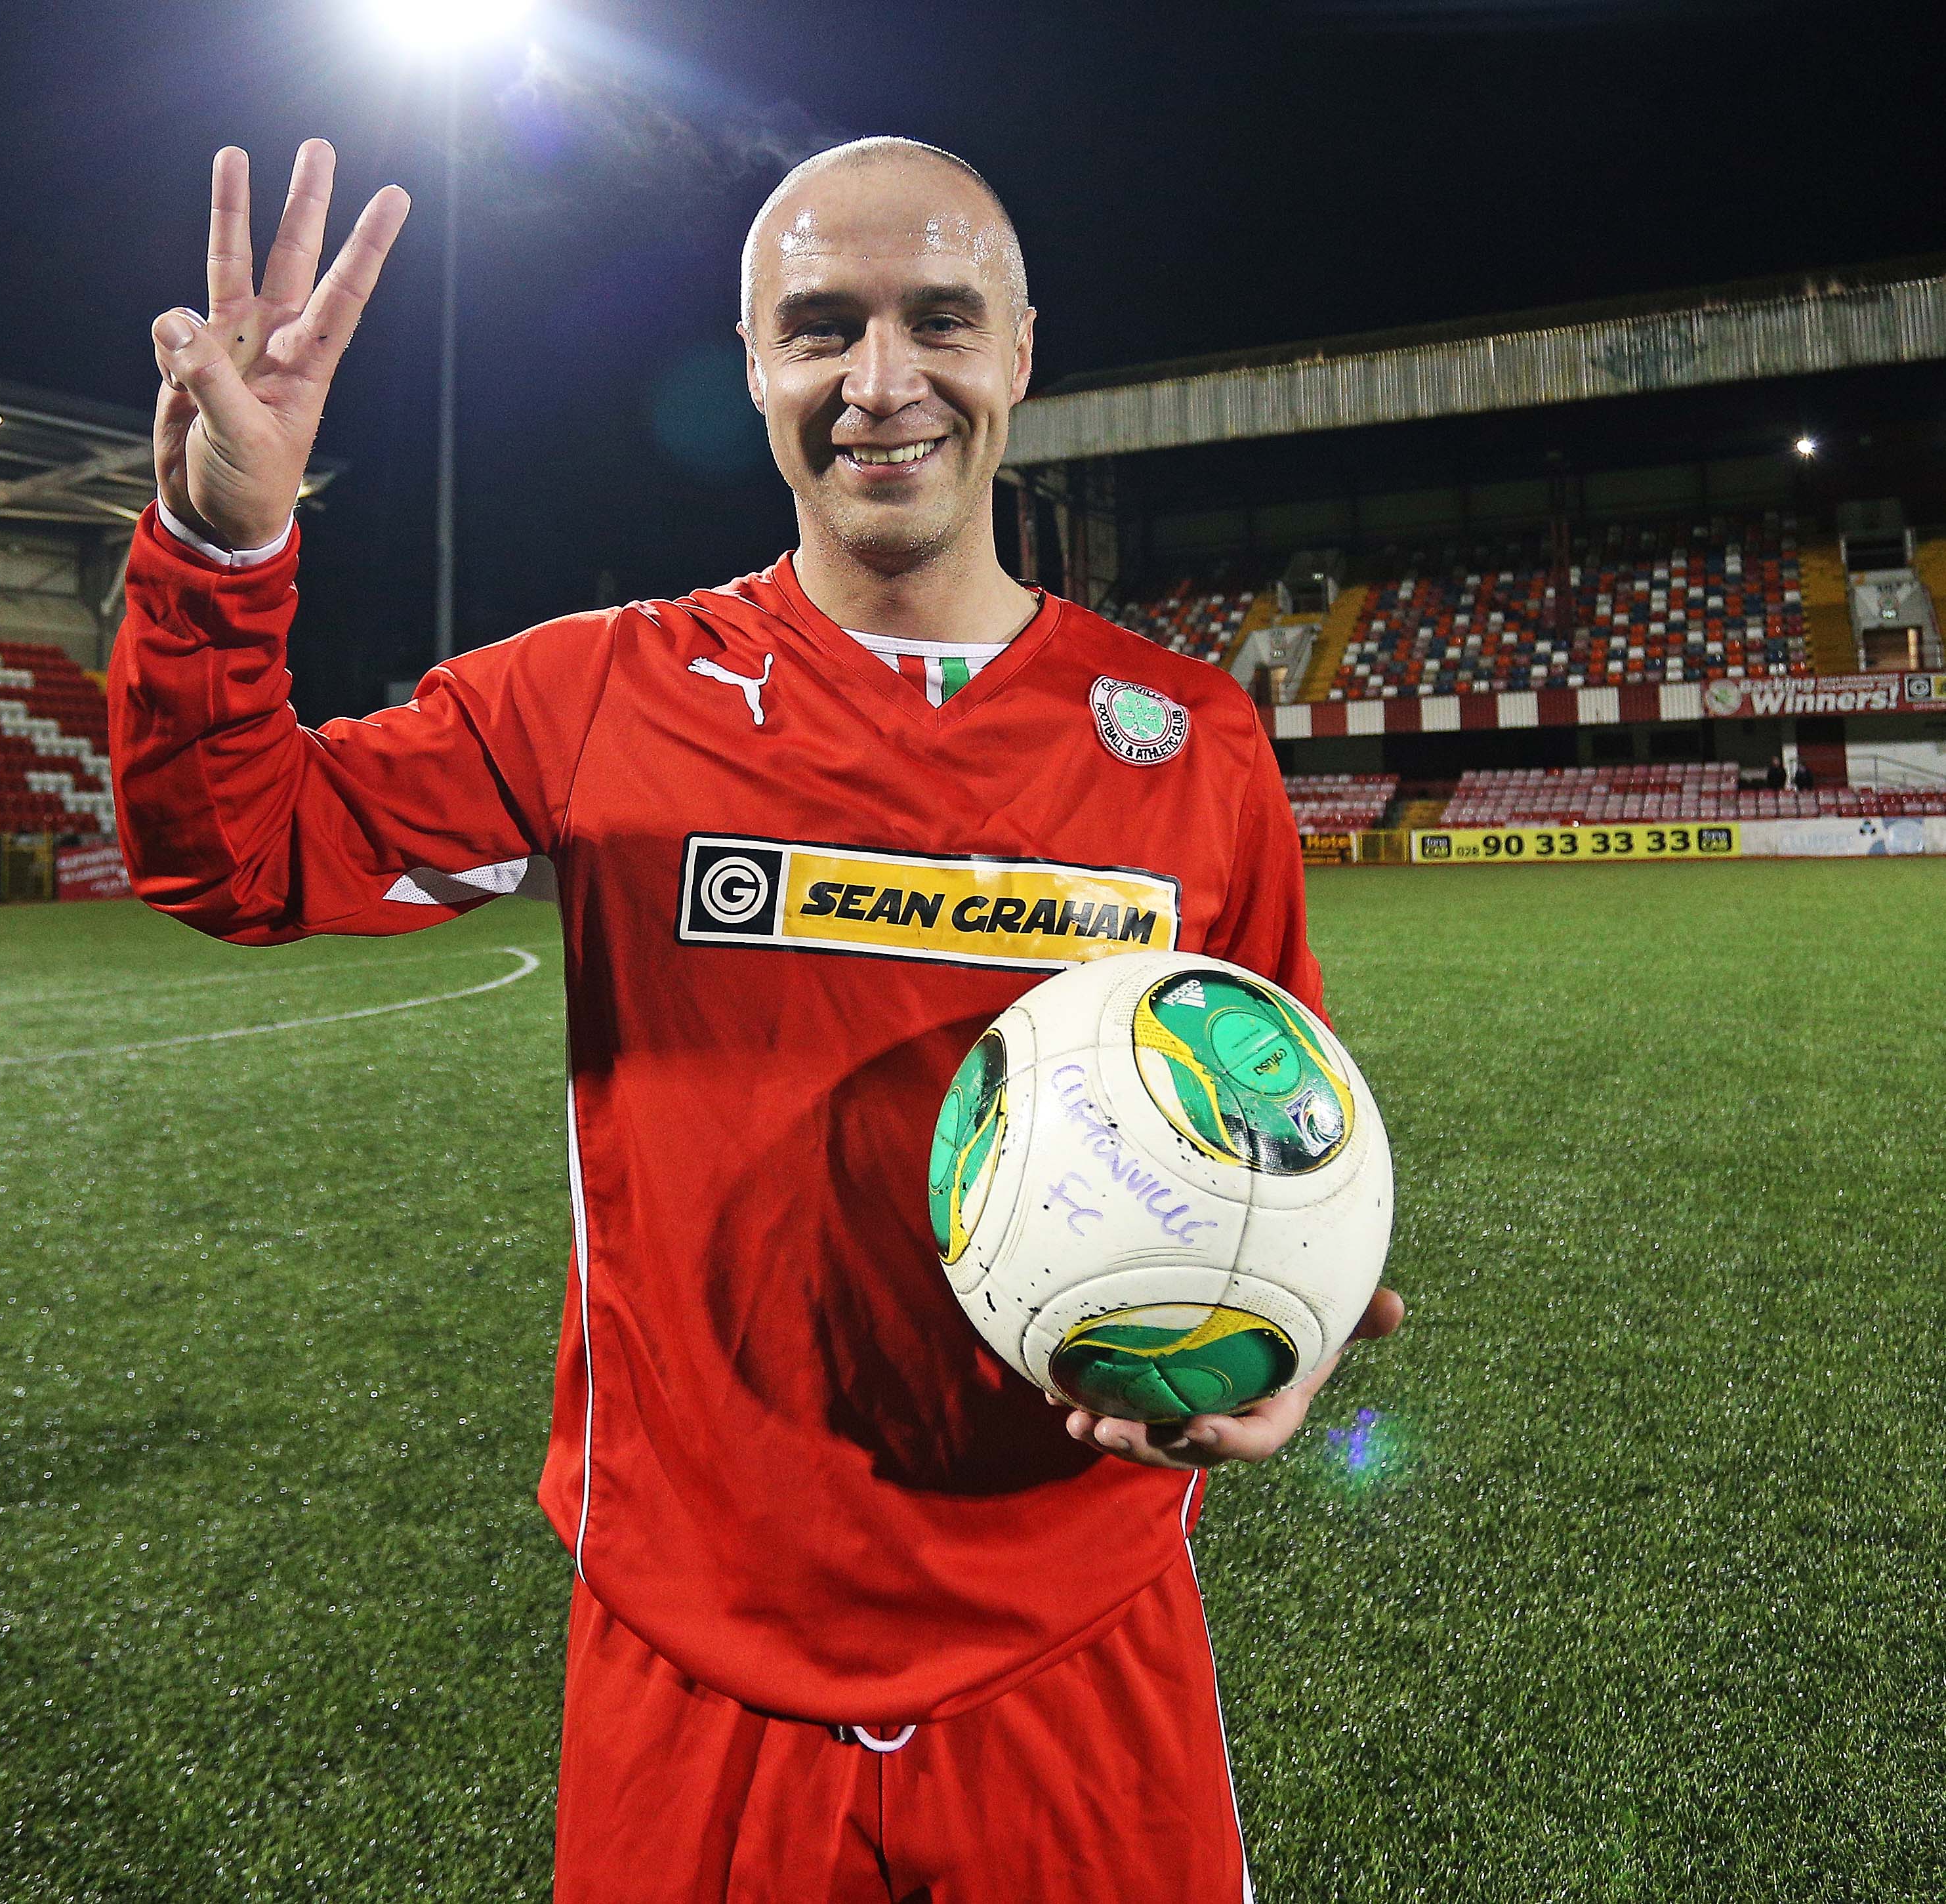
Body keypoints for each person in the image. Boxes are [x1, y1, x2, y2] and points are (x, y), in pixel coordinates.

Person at [115, 135, 1403, 1903]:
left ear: (1021, 352)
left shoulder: (1189, 744)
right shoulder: (595, 701)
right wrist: (219, 541)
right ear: (753, 367)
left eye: (939, 320)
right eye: (822, 329)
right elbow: (231, 854)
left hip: (1078, 1652)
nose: (883, 382)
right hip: (693, 1670)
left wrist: (1296, 1338)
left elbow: (1285, 1148)